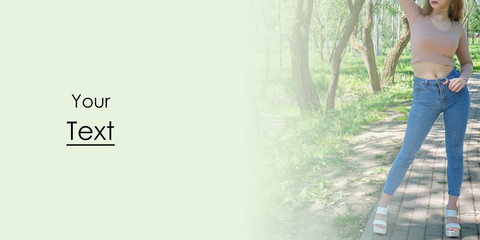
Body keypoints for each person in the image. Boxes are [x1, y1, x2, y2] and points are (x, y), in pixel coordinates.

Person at [372, 0, 474, 238]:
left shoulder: (457, 28)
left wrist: (464, 79)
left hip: (455, 93)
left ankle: (452, 211)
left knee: (455, 153)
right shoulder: (416, 16)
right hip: (424, 95)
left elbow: (467, 63)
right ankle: (382, 207)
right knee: (407, 152)